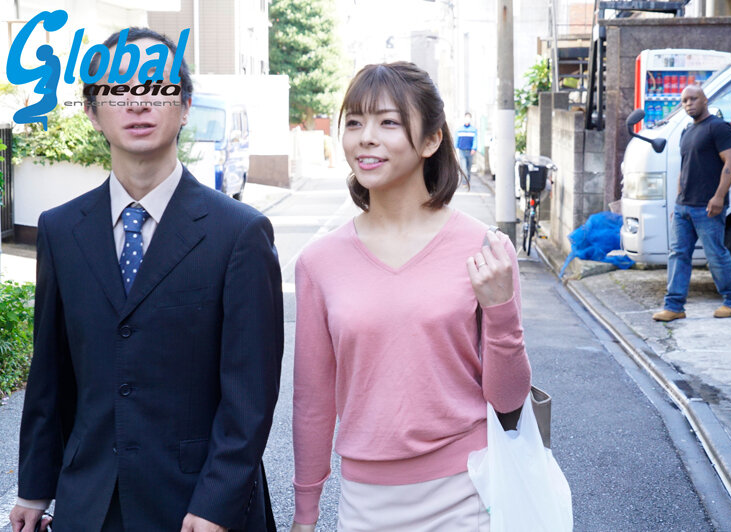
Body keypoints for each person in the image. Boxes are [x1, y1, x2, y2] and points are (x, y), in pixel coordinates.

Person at [9, 28, 283, 532]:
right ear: (93, 112)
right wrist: (33, 487)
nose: (138, 103)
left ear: (185, 106)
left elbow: (250, 396)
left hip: (199, 506)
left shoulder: (239, 233)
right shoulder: (61, 230)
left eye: (156, 87)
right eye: (117, 90)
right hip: (91, 502)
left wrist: (217, 502)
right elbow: (49, 378)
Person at [290, 62, 531, 531]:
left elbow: (508, 399)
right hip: (364, 503)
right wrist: (305, 512)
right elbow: (312, 399)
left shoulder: (486, 250)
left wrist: (501, 312)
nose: (366, 138)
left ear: (431, 140)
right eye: (354, 122)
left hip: (467, 493)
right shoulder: (319, 262)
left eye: (388, 122)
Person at [652, 85, 731, 322]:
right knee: (678, 255)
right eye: (684, 101)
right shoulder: (687, 131)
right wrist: (678, 201)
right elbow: (685, 168)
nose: (688, 104)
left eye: (693, 99)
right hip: (684, 206)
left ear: (704, 100)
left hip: (707, 206)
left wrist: (719, 196)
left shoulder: (718, 127)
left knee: (716, 255)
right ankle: (674, 306)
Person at [456, 112, 478, 184]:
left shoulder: (473, 130)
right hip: (462, 151)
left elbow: (475, 140)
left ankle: (468, 180)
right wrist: (455, 148)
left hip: (470, 151)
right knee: (464, 167)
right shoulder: (459, 129)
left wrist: (474, 148)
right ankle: (464, 182)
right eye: (466, 117)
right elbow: (456, 140)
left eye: (469, 118)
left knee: (469, 167)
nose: (467, 119)